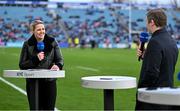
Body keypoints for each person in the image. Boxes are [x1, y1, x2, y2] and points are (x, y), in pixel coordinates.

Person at [135, 9, 179, 110]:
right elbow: (164, 64)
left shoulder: (155, 42)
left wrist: (141, 90)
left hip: (153, 99)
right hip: (167, 94)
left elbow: (151, 73)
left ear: (152, 22)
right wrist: (146, 57)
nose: (146, 25)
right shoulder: (171, 40)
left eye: (147, 22)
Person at [19, 20, 64, 110]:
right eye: (39, 29)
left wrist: (58, 66)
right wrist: (36, 59)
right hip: (33, 83)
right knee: (35, 108)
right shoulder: (27, 44)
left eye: (43, 29)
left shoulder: (52, 41)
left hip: (49, 82)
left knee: (49, 109)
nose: (42, 31)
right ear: (33, 31)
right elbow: (22, 64)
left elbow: (60, 60)